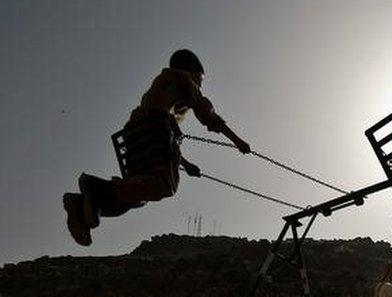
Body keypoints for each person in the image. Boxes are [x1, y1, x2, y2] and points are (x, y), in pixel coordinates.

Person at [63, 49, 251, 246]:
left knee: (138, 195)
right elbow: (207, 115)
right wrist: (238, 142)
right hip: (151, 128)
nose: (201, 83)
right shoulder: (183, 78)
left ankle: (82, 207)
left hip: (135, 136)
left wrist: (185, 165)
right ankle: (94, 187)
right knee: (164, 185)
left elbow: (165, 144)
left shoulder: (162, 95)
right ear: (192, 69)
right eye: (201, 78)